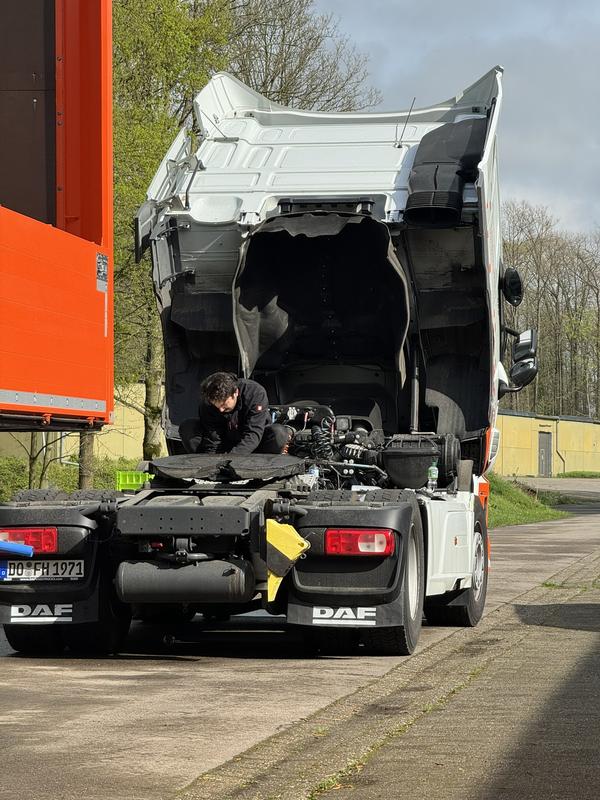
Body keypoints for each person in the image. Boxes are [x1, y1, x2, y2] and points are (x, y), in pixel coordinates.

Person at [179, 372, 290, 455]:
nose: (221, 410)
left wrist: (233, 458)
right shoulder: (208, 403)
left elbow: (253, 433)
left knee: (279, 433)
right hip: (224, 444)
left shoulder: (255, 393)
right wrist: (212, 463)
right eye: (217, 406)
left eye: (224, 405)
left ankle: (262, 467)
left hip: (254, 444)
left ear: (235, 393)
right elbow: (212, 437)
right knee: (187, 427)